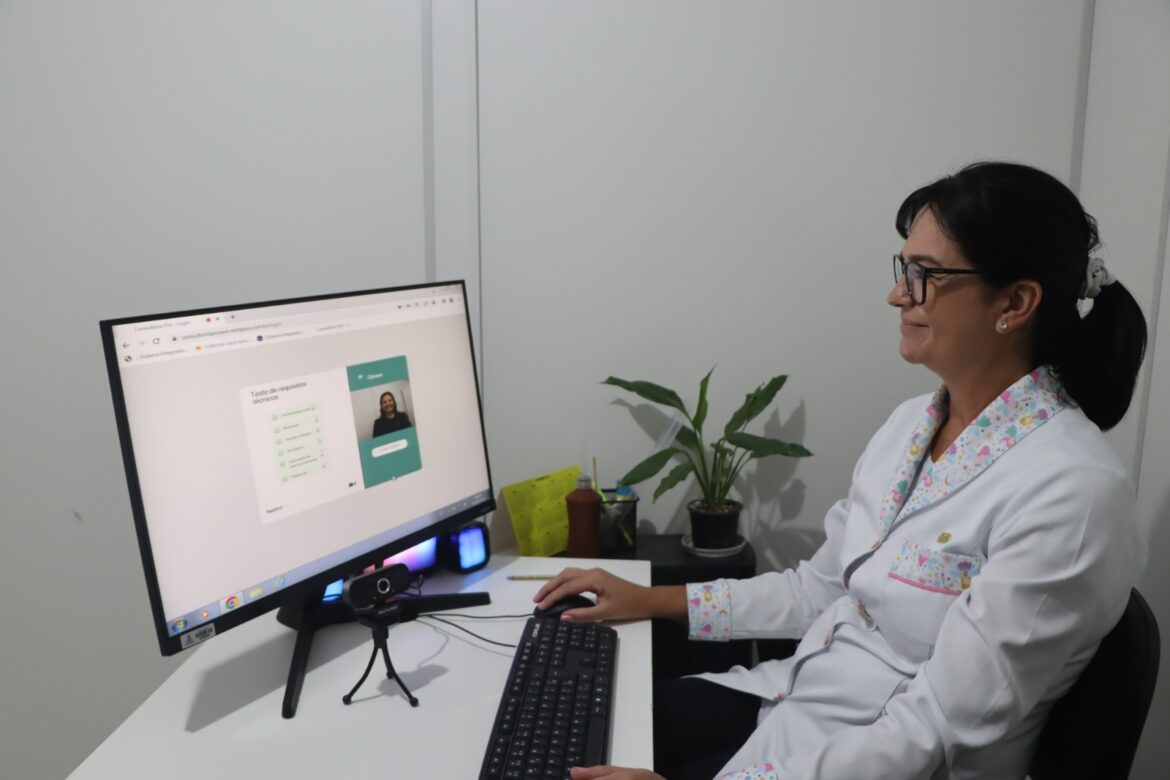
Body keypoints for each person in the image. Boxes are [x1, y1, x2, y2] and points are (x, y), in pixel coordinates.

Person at [536, 162, 1148, 780]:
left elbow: (934, 729)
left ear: (1015, 302)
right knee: (569, 726)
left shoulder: (1072, 492)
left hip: (888, 760)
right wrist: (650, 600)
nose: (897, 295)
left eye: (925, 275)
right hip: (797, 700)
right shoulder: (913, 425)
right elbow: (818, 590)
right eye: (902, 269)